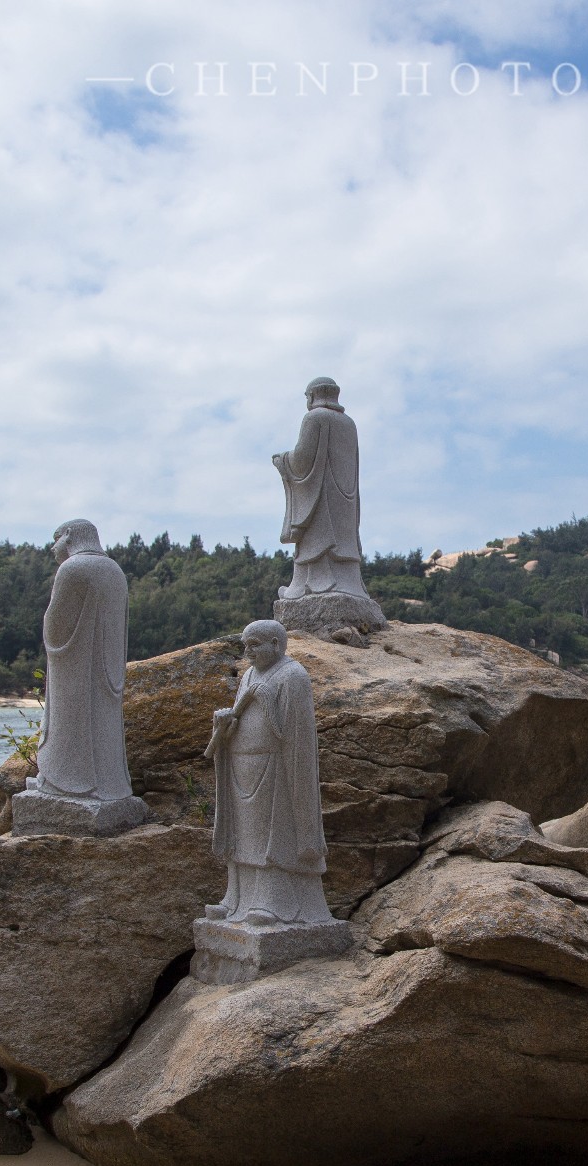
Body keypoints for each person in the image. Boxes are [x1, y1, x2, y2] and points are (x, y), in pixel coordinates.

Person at [204, 620, 334, 927]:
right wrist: (224, 724)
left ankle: (274, 902)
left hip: (276, 767)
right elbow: (238, 721)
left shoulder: (293, 676)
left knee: (271, 838)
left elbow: (293, 734)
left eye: (255, 644)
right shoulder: (249, 674)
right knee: (244, 835)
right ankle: (236, 899)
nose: (247, 652)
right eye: (245, 645)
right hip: (241, 765)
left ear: (276, 644)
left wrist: (265, 702)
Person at [32, 519, 133, 803]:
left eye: (56, 539)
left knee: (71, 720)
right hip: (107, 665)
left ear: (69, 536)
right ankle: (109, 783)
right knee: (103, 721)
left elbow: (55, 625)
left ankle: (65, 783)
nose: (53, 548)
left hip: (75, 663)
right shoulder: (115, 570)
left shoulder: (72, 568)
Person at [274, 378, 368, 602]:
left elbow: (302, 459)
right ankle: (350, 585)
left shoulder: (314, 418)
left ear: (314, 395)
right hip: (345, 503)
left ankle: (307, 588)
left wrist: (283, 461)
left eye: (307, 396)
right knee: (339, 540)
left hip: (321, 496)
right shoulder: (349, 424)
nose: (307, 401)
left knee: (316, 540)